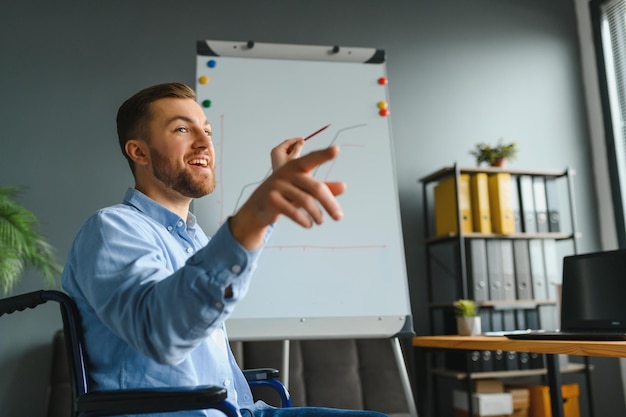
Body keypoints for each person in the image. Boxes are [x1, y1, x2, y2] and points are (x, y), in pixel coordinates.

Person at [61, 82, 388, 417]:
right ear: (139, 152)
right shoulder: (111, 229)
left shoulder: (194, 238)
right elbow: (159, 332)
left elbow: (219, 270)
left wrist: (269, 205)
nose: (204, 142)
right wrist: (253, 216)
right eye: (182, 129)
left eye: (206, 130)